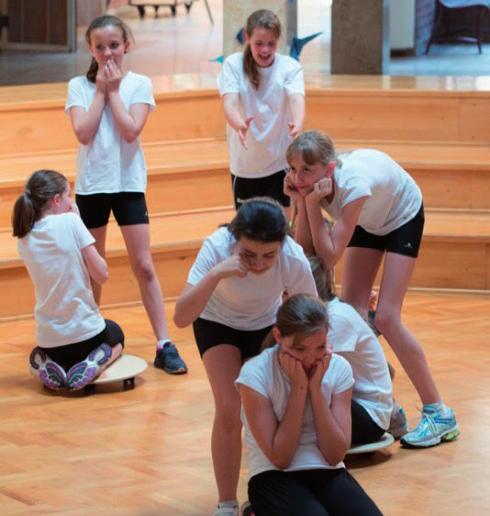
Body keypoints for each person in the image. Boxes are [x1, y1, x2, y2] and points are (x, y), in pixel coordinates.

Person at [284, 130, 459, 448]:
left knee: (387, 318)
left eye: (305, 170)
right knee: (350, 315)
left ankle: (440, 412)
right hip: (370, 219)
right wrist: (299, 200)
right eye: (292, 169)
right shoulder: (314, 186)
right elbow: (305, 251)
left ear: (329, 169)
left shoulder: (353, 187)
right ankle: (386, 407)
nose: (297, 177)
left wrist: (309, 203)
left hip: (402, 213)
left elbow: (330, 255)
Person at [173, 198, 317, 516]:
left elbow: (312, 319)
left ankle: (268, 492)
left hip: (265, 325)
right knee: (229, 406)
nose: (260, 264)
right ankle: (226, 502)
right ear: (235, 239)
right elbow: (181, 317)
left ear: (282, 246)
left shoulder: (292, 257)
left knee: (270, 407)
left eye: (269, 255)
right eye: (249, 254)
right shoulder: (216, 246)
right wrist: (215, 275)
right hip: (215, 321)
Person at [65, 15, 186, 375]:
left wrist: (114, 90)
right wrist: (101, 91)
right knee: (94, 266)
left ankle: (163, 343)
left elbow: (131, 130)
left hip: (128, 185)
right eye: (100, 47)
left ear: (127, 45)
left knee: (144, 265)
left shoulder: (139, 84)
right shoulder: (77, 86)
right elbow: (83, 133)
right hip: (92, 187)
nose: (107, 53)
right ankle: (90, 339)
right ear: (90, 49)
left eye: (114, 45)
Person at [236, 294, 383, 516]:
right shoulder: (255, 374)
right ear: (278, 336)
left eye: (320, 347)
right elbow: (280, 458)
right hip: (272, 475)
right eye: (300, 349)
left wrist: (315, 390)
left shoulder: (339, 368)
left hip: (326, 470)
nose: (310, 359)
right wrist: (299, 389)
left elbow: (335, 455)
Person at [13, 169, 124, 391]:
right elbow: (101, 274)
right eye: (67, 196)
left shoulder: (23, 238)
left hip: (50, 342)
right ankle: (94, 362)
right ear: (56, 200)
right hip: (87, 336)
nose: (71, 201)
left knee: (49, 349)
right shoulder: (71, 222)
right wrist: (78, 221)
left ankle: (45, 363)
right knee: (116, 333)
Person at [218, 9, 305, 211]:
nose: (265, 50)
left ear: (278, 41)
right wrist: (237, 123)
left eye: (271, 44)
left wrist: (298, 123)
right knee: (248, 233)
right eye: (259, 43)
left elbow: (296, 99)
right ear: (247, 38)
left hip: (279, 163)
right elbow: (229, 102)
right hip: (245, 166)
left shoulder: (289, 67)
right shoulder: (233, 64)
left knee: (282, 231)